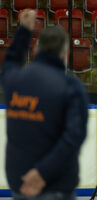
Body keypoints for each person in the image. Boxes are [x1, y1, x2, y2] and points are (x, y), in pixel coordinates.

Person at [0, 9, 88, 200]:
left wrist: (24, 31)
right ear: (65, 53)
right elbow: (73, 137)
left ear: (36, 50)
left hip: (20, 185)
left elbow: (10, 62)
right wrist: (42, 173)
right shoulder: (70, 87)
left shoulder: (14, 79)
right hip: (55, 186)